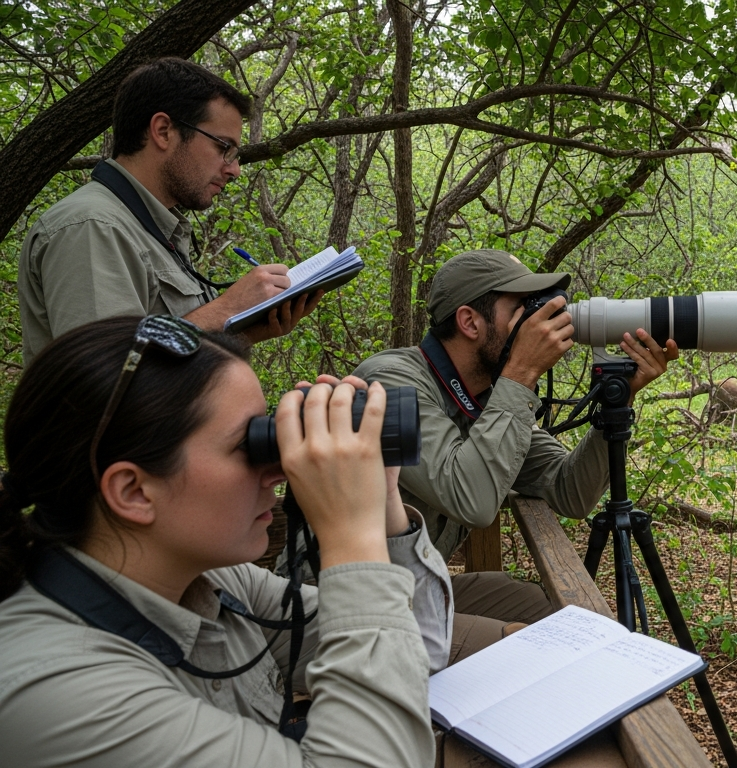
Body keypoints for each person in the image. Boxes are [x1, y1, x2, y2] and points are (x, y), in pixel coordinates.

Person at [0, 315, 451, 766]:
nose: (280, 468)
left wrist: (381, 497)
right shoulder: (62, 691)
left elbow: (421, 652)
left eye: (268, 434)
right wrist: (351, 536)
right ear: (134, 492)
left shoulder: (215, 583)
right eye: (248, 445)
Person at [353, 249, 678, 657]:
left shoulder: (488, 397)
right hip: (343, 606)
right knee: (536, 649)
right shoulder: (393, 382)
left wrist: (620, 401)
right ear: (470, 321)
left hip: (414, 588)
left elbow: (571, 491)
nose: (538, 320)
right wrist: (520, 374)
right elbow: (469, 499)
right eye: (522, 308)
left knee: (568, 618)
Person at [18, 57, 321, 364]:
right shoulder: (91, 226)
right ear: (163, 131)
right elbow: (104, 380)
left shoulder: (154, 229)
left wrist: (244, 329)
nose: (234, 170)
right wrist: (227, 309)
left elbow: (165, 363)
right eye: (222, 147)